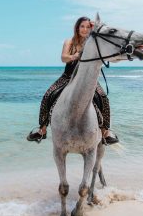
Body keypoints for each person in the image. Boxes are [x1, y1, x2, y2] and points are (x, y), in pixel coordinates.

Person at [27, 16, 119, 145]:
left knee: (103, 97)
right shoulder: (69, 42)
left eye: (88, 27)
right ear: (77, 27)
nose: (85, 29)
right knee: (48, 95)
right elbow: (63, 58)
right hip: (68, 77)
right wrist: (75, 56)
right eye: (82, 26)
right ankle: (42, 129)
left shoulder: (93, 43)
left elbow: (106, 37)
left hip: (87, 79)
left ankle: (105, 132)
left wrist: (96, 26)